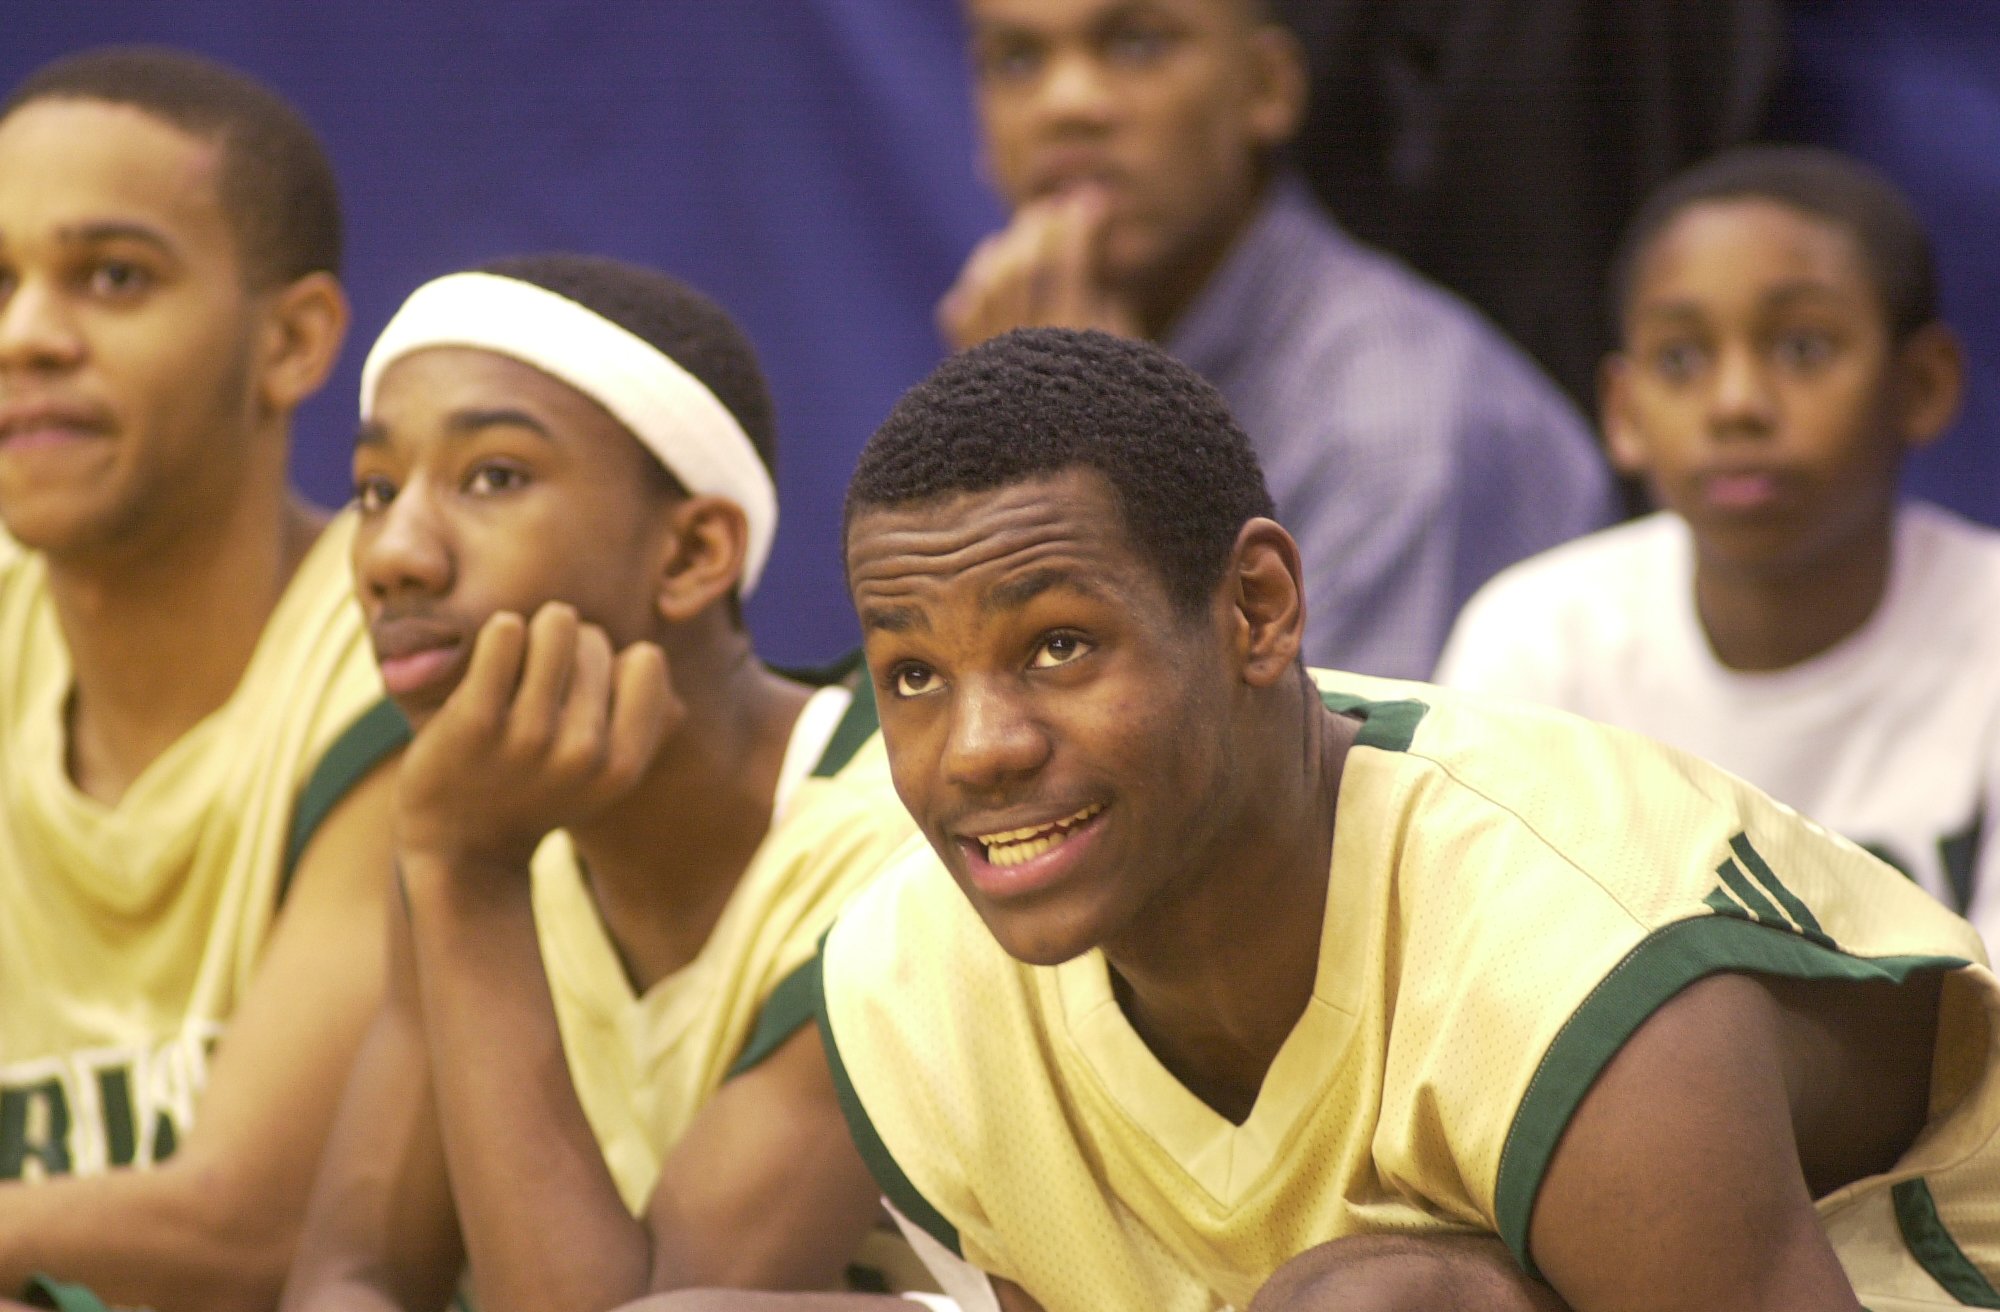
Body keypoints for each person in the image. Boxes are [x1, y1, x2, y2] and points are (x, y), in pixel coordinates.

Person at [737, 327, 1992, 1312]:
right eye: (911, 674)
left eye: (1059, 646)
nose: (979, 749)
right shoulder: (908, 974)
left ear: (1256, 608)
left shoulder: (1564, 951)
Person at [280, 256, 926, 1312]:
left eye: (491, 476)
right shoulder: (476, 817)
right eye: (374, 489)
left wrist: (465, 875)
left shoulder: (899, 845)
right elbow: (353, 1275)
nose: (392, 553)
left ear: (690, 553)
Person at [0, 47, 403, 1312]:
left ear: (292, 342)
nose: (26, 337)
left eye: (110, 277)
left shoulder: (400, 651)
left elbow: (251, 1226)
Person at [937, 0, 1616, 678]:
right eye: (1017, 59)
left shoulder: (1393, 425)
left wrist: (1090, 458)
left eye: (1139, 45)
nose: (1067, 102)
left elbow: (1326, 780)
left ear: (1267, 86)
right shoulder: (1033, 336)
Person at [1435, 146, 1996, 942]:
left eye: (1803, 348)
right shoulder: (1537, 641)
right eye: (1682, 359)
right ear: (1624, 412)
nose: (1736, 405)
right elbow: (1480, 974)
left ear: (1923, 386)